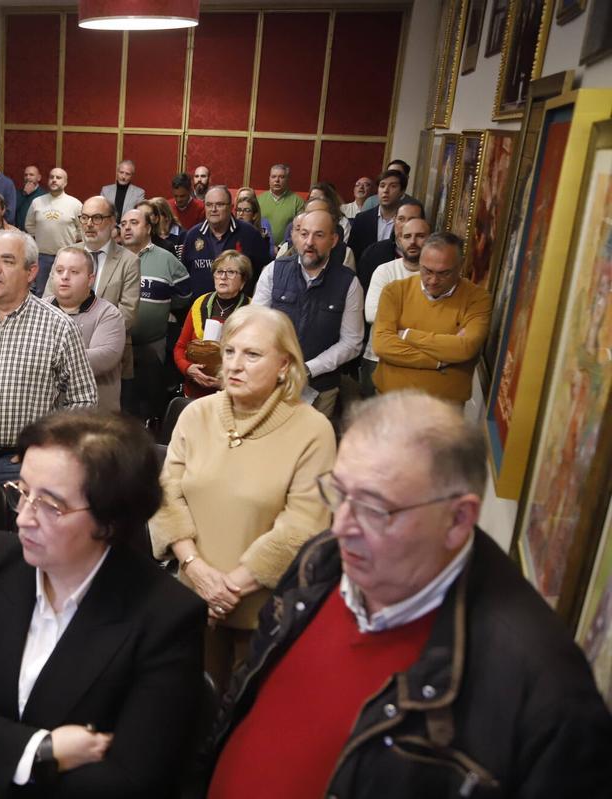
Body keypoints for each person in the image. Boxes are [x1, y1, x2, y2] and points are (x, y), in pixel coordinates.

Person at [205, 391, 612, 798]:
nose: (342, 525)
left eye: (375, 508)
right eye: (339, 493)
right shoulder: (321, 561)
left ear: (457, 519)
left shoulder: (547, 695)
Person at [0, 410, 205, 798]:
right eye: (22, 492)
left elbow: (130, 782)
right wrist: (40, 752)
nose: (24, 519)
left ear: (110, 521)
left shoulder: (165, 616)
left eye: (51, 505)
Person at [151, 305, 335, 689]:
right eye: (230, 351)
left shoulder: (313, 430)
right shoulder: (195, 414)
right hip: (189, 602)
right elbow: (167, 496)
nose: (234, 365)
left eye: (252, 355)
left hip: (264, 618)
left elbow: (302, 526)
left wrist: (227, 589)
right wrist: (196, 571)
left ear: (285, 365)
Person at [0, 229, 97, 484]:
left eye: (7, 261)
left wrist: (46, 445)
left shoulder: (59, 326)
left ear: (31, 272)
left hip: (25, 465)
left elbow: (84, 399)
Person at [253, 209, 364, 418]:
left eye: (319, 235)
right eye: (304, 234)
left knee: (310, 448)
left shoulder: (349, 283)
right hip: (272, 382)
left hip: (321, 389)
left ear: (333, 240)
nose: (309, 242)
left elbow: (352, 342)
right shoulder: (273, 271)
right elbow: (256, 325)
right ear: (296, 236)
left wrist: (308, 368)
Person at [373, 232, 492, 403]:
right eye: (427, 271)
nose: (433, 280)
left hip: (444, 409)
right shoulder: (395, 291)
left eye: (444, 273)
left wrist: (407, 335)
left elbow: (466, 347)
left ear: (460, 266)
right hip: (391, 401)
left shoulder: (478, 299)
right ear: (420, 262)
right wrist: (438, 362)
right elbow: (382, 345)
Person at [46, 196, 141, 382]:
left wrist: (94, 341)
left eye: (97, 218)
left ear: (113, 221)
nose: (89, 224)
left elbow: (128, 313)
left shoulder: (129, 261)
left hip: (108, 360)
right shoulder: (65, 254)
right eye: (85, 217)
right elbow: (49, 300)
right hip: (58, 357)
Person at [119, 207, 192, 418]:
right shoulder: (114, 257)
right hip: (119, 346)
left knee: (149, 406)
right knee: (123, 405)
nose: (127, 228)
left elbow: (184, 293)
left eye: (134, 223)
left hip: (153, 346)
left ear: (148, 228)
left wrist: (164, 307)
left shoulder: (166, 259)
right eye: (123, 224)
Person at [47, 247, 124, 411]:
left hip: (94, 422)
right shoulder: (39, 308)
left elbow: (103, 358)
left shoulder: (108, 314)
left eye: (74, 272)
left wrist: (43, 356)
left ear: (90, 280)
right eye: (59, 270)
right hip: (47, 420)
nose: (65, 276)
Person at [362, 217, 429, 395]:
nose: (413, 241)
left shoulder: (435, 277)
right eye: (407, 236)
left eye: (420, 236)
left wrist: (394, 318)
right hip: (378, 358)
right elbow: (372, 315)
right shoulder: (384, 271)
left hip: (420, 361)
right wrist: (420, 328)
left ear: (430, 240)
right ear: (399, 240)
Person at [173, 251, 251, 399]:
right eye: (219, 271)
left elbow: (254, 359)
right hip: (195, 393)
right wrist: (188, 368)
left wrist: (227, 382)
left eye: (231, 272)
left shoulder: (251, 310)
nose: (223, 277)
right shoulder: (199, 304)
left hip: (233, 395)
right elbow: (180, 347)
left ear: (243, 281)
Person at [182, 186, 270, 298]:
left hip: (239, 310)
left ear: (231, 207)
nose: (213, 209)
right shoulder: (192, 235)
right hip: (200, 309)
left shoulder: (250, 234)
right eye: (209, 205)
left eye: (219, 204)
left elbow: (264, 273)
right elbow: (185, 273)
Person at [24, 167, 83, 293]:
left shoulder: (75, 204)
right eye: (52, 177)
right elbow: (29, 225)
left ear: (65, 182)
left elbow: (82, 229)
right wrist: (41, 235)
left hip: (66, 257)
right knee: (41, 292)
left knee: (65, 291)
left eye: (58, 177)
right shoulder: (37, 202)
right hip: (42, 257)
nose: (54, 180)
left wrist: (73, 239)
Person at [357, 199, 425, 293]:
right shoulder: (373, 253)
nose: (405, 225)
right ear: (394, 220)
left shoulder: (432, 257)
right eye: (401, 219)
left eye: (412, 219)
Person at [350, 168, 405, 263]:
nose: (386, 190)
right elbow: (353, 253)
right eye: (382, 186)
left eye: (393, 186)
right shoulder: (362, 219)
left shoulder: (407, 221)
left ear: (402, 192)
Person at [256, 164, 305, 245]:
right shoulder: (258, 200)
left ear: (287, 179)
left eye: (281, 177)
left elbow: (300, 230)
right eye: (273, 176)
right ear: (269, 179)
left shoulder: (298, 202)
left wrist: (282, 247)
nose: (277, 180)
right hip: (262, 246)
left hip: (287, 249)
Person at [233, 193, 273, 257]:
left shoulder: (261, 238)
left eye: (246, 210)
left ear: (254, 215)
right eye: (239, 210)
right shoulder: (230, 234)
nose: (241, 213)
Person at [16, 164, 48, 231]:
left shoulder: (44, 195)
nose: (28, 177)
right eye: (26, 175)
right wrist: (24, 194)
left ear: (39, 178)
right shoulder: (18, 193)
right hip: (18, 233)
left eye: (31, 175)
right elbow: (13, 210)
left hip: (36, 234)